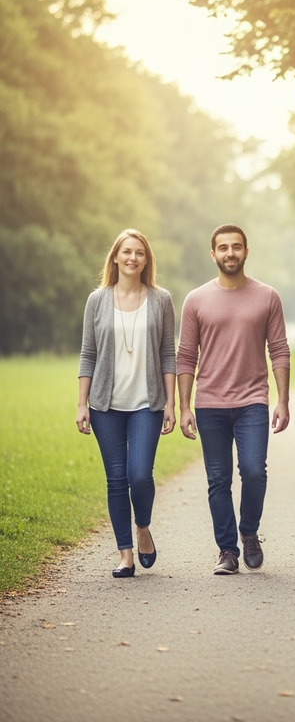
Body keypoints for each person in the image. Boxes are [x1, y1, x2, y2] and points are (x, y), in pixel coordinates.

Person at [177, 224, 290, 575]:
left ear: (246, 251)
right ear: (213, 254)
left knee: (254, 471)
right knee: (218, 478)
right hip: (209, 402)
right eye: (223, 248)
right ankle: (227, 550)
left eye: (236, 247)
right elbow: (185, 356)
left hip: (252, 400)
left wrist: (283, 401)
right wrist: (183, 407)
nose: (230, 253)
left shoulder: (267, 296)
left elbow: (280, 350)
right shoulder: (195, 299)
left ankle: (249, 532)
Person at [77, 229, 176, 578]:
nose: (133, 258)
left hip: (146, 404)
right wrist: (82, 403)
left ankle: (143, 527)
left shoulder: (161, 299)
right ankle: (125, 554)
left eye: (140, 253)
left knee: (140, 475)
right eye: (126, 252)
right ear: (115, 257)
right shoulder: (97, 300)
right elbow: (88, 354)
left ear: (146, 260)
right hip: (106, 405)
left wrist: (171, 404)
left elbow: (167, 354)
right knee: (116, 479)